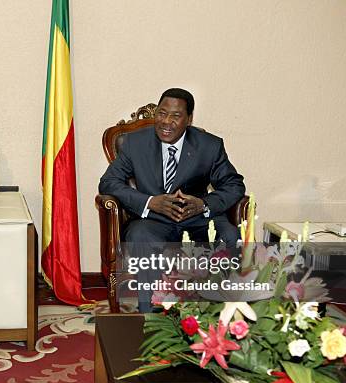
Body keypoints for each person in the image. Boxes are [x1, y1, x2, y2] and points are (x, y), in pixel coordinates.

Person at [99, 88, 246, 311]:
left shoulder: (209, 146)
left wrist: (203, 205)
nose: (166, 122)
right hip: (154, 220)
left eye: (175, 116)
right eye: (161, 113)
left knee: (229, 234)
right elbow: (109, 182)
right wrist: (149, 202)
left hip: (197, 219)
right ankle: (149, 316)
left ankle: (218, 310)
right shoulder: (134, 143)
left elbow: (234, 184)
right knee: (140, 235)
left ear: (189, 119)